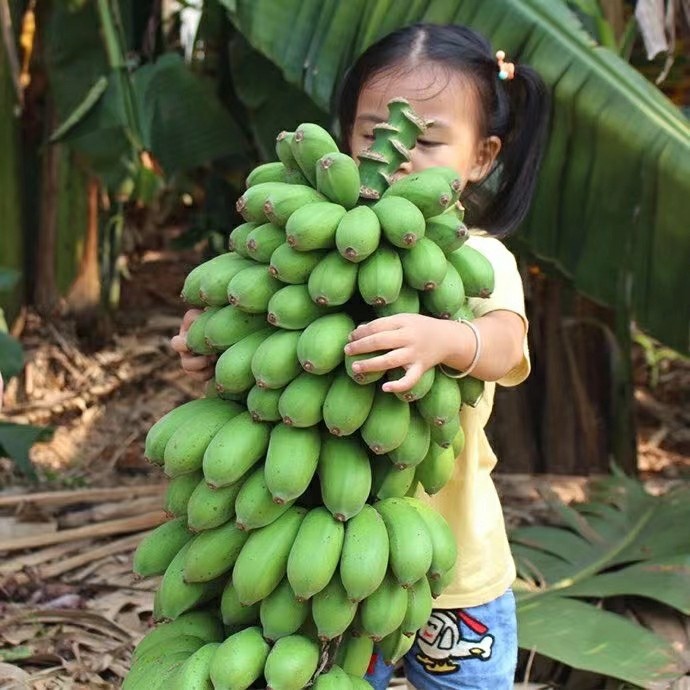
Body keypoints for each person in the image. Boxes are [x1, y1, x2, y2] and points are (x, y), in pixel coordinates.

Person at [171, 22, 549, 690]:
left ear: (482, 156)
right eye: (374, 133)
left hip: (448, 576)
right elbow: (269, 378)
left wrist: (447, 340)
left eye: (429, 139)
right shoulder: (310, 252)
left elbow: (505, 345)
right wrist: (208, 360)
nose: (397, 153)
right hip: (318, 569)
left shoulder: (475, 261)